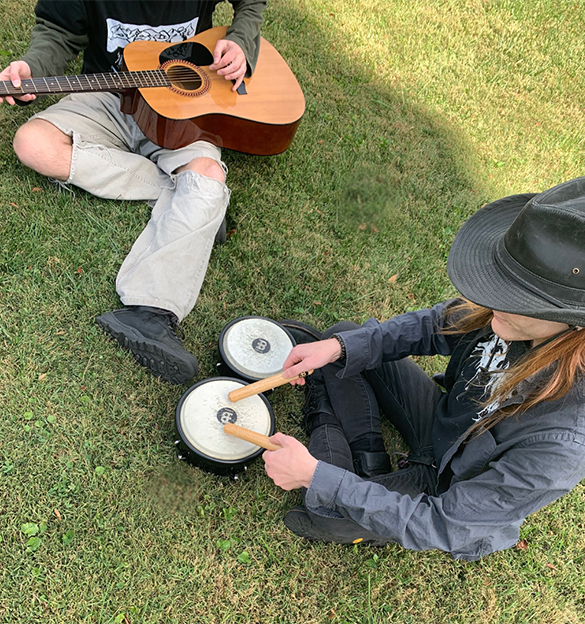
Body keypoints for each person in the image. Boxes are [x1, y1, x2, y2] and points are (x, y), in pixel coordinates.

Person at [263, 176, 585, 561]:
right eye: (498, 281)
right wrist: (336, 348)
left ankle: (338, 459)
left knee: (323, 506)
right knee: (345, 342)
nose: (488, 297)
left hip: (446, 486)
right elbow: (436, 324)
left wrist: (317, 478)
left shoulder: (564, 442)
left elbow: (444, 524)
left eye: (512, 296)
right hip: (439, 422)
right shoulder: (506, 313)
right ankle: (368, 459)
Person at [0, 0, 266, 384]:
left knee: (207, 172)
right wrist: (33, 67)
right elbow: (57, 31)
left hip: (185, 109)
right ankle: (195, 200)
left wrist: (241, 41)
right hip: (108, 96)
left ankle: (149, 313)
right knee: (32, 142)